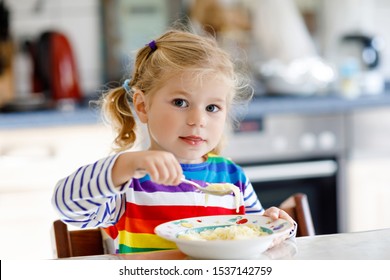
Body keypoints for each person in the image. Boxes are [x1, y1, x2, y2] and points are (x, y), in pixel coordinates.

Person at [52, 28, 296, 255]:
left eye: (212, 107)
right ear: (142, 105)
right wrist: (124, 166)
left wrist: (276, 226)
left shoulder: (232, 177)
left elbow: (257, 239)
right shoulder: (129, 183)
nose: (198, 120)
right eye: (180, 102)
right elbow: (66, 207)